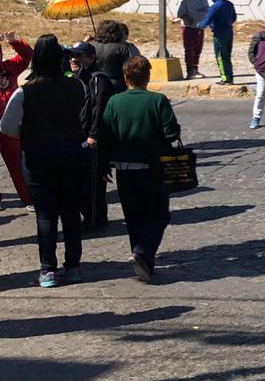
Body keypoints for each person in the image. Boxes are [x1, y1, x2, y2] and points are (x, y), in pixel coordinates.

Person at [0, 34, 88, 287]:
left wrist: (27, 134)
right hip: (72, 153)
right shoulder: (76, 85)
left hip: (38, 156)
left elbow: (7, 127)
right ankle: (73, 267)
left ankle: (48, 269)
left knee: (46, 215)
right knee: (71, 212)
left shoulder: (24, 92)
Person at [99, 57, 181, 284]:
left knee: (133, 218)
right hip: (154, 169)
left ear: (125, 77)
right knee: (159, 215)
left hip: (125, 170)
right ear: (148, 77)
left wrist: (103, 165)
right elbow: (172, 133)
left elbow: (105, 136)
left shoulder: (115, 102)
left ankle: (143, 260)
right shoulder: (158, 101)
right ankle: (143, 254)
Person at [68, 41, 116, 231]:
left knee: (94, 182)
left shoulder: (98, 79)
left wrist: (94, 135)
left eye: (80, 56)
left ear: (91, 57)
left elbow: (98, 109)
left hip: (94, 139)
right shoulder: (81, 76)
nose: (75, 59)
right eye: (74, 56)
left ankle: (95, 218)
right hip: (81, 135)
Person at [0, 30, 33, 209]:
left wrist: (14, 42)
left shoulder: (10, 67)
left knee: (17, 164)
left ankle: (28, 198)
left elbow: (28, 55)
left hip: (10, 125)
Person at [196, 0, 238, 85]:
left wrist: (199, 25)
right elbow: (234, 18)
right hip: (229, 31)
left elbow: (207, 20)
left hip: (219, 33)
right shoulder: (229, 4)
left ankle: (225, 78)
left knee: (220, 55)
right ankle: (230, 76)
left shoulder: (214, 7)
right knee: (227, 55)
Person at [90, 20, 139, 93]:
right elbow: (126, 68)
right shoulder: (121, 48)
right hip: (116, 86)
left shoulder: (92, 45)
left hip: (96, 83)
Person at [174, 0, 209, 79]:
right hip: (189, 28)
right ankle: (189, 71)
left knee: (198, 49)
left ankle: (195, 69)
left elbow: (207, 10)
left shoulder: (203, 0)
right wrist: (187, 18)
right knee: (189, 50)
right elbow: (180, 13)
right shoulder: (185, 1)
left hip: (200, 28)